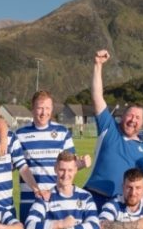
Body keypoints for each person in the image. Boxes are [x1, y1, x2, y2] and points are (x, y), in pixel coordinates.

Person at [84, 50, 143, 210]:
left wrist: (140, 207)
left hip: (122, 205)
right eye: (130, 115)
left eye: (137, 118)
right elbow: (97, 96)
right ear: (122, 117)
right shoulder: (109, 128)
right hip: (95, 197)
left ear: (142, 123)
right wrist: (98, 65)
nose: (133, 120)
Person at [15, 90, 91, 221]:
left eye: (47, 108)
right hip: (29, 197)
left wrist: (83, 163)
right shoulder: (20, 134)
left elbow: (70, 165)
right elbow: (16, 164)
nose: (44, 113)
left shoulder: (62, 132)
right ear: (32, 109)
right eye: (39, 108)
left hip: (55, 198)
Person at [25, 151, 100, 229]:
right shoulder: (45, 198)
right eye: (62, 170)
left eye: (70, 170)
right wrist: (60, 224)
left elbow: (95, 226)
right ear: (55, 169)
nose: (66, 175)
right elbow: (29, 226)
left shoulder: (86, 197)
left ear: (76, 170)